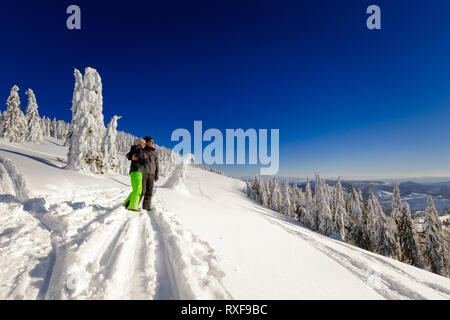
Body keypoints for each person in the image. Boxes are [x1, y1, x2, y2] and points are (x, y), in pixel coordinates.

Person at [123, 138, 146, 212]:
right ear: (140, 143)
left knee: (136, 190)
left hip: (134, 171)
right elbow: (142, 160)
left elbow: (128, 155)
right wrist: (145, 158)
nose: (144, 145)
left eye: (145, 143)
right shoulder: (139, 149)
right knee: (138, 190)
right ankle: (132, 207)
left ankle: (126, 204)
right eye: (143, 143)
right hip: (137, 171)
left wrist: (132, 157)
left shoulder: (135, 148)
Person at [140, 136, 159, 210]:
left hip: (151, 175)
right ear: (146, 142)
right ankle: (133, 205)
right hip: (143, 174)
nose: (152, 143)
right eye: (150, 141)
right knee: (142, 191)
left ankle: (146, 207)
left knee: (149, 192)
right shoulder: (142, 150)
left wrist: (156, 175)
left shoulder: (155, 153)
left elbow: (157, 165)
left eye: (153, 142)